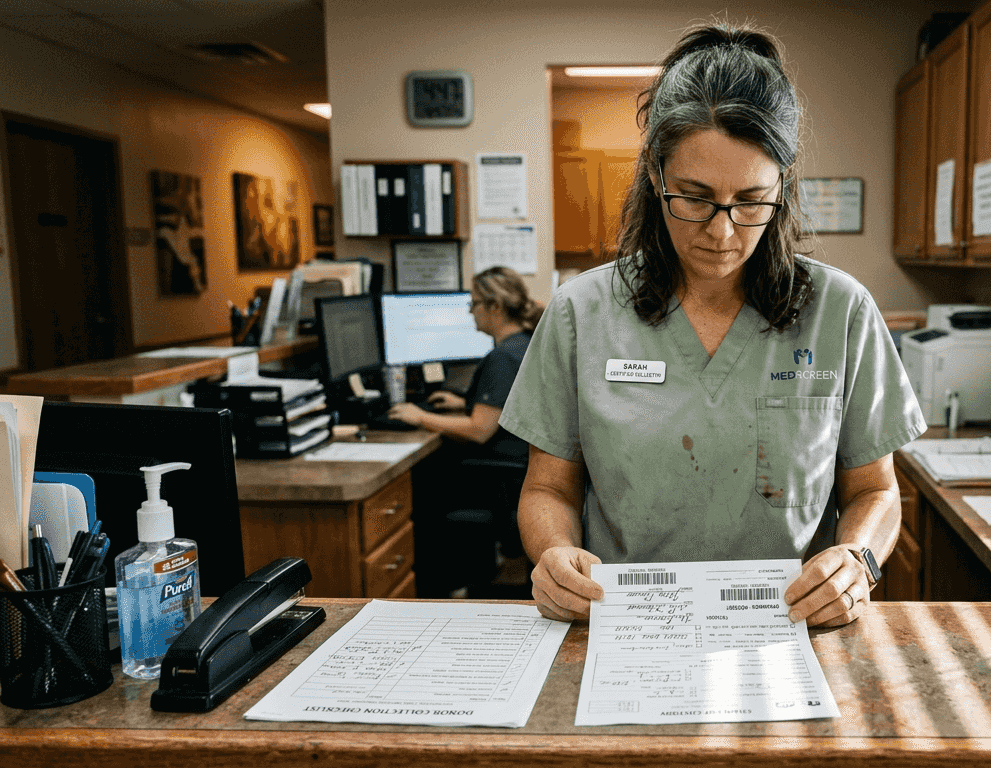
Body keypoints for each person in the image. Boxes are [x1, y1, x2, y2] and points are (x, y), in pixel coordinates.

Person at [498, 23, 926, 627]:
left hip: (788, 630)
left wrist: (858, 561)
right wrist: (553, 556)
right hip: (626, 627)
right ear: (655, 175)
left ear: (783, 182)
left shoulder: (841, 313)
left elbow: (875, 492)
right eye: (694, 198)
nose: (722, 232)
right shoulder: (582, 312)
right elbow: (549, 491)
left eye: (751, 200)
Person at [389, 266, 543, 596]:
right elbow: (503, 410)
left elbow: (479, 431)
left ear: (494, 307)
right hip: (516, 465)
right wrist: (462, 402)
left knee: (421, 490)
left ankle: (439, 588)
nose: (470, 312)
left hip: (499, 474)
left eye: (473, 304)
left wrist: (419, 416)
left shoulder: (502, 356)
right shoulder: (523, 344)